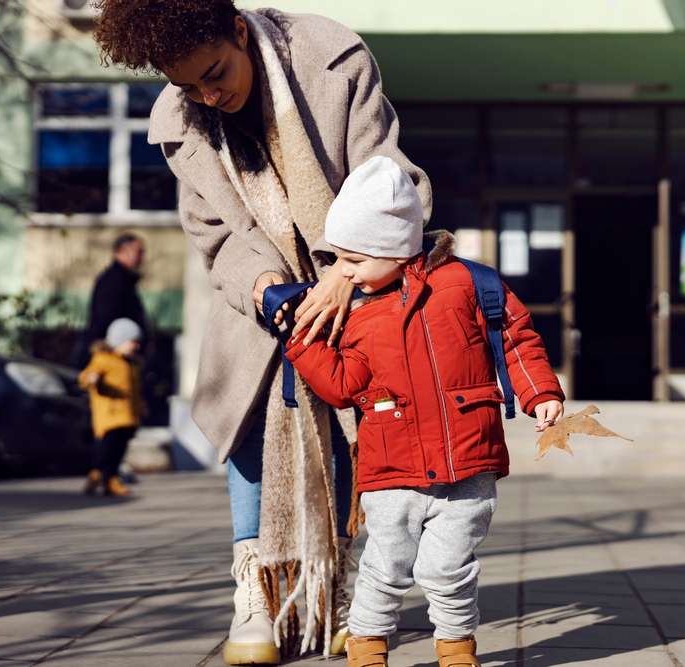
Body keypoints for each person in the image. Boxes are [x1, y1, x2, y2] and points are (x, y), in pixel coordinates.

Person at [91, 1, 431, 663]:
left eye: (216, 72)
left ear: (239, 31)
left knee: (348, 426)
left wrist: (340, 272)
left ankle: (336, 585)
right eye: (189, 85)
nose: (208, 95)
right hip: (264, 290)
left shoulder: (331, 58)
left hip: (361, 271)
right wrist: (260, 285)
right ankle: (258, 588)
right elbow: (214, 238)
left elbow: (388, 181)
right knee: (252, 405)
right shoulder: (179, 119)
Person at [285, 156, 565, 667]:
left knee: (449, 566)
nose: (340, 273)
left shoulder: (468, 285)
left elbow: (517, 339)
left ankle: (457, 648)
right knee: (386, 564)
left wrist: (540, 394)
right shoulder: (356, 311)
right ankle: (367, 644)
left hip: (468, 462)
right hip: (392, 467)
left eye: (352, 259)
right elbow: (344, 386)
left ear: (393, 247)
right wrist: (302, 341)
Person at [79, 318, 145, 497]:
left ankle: (111, 480)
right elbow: (85, 375)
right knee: (106, 448)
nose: (136, 346)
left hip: (127, 416)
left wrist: (141, 408)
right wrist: (91, 378)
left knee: (119, 451)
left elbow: (135, 392)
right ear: (120, 341)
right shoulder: (103, 359)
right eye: (133, 342)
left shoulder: (132, 365)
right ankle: (96, 474)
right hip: (110, 416)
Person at [75, 233, 146, 369]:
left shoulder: (122, 281)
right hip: (112, 358)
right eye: (139, 252)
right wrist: (125, 342)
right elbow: (107, 319)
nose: (143, 258)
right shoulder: (113, 282)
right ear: (123, 250)